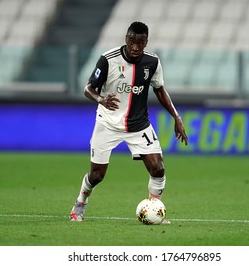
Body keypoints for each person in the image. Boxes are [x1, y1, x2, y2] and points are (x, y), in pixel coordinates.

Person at [70, 21, 188, 223]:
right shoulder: (108, 60)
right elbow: (88, 88)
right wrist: (101, 99)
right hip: (108, 123)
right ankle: (80, 204)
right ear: (126, 38)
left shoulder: (152, 62)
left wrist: (176, 117)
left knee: (158, 169)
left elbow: (159, 89)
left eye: (140, 43)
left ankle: (153, 209)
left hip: (139, 125)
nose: (135, 47)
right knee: (97, 175)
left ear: (146, 42)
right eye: (132, 41)